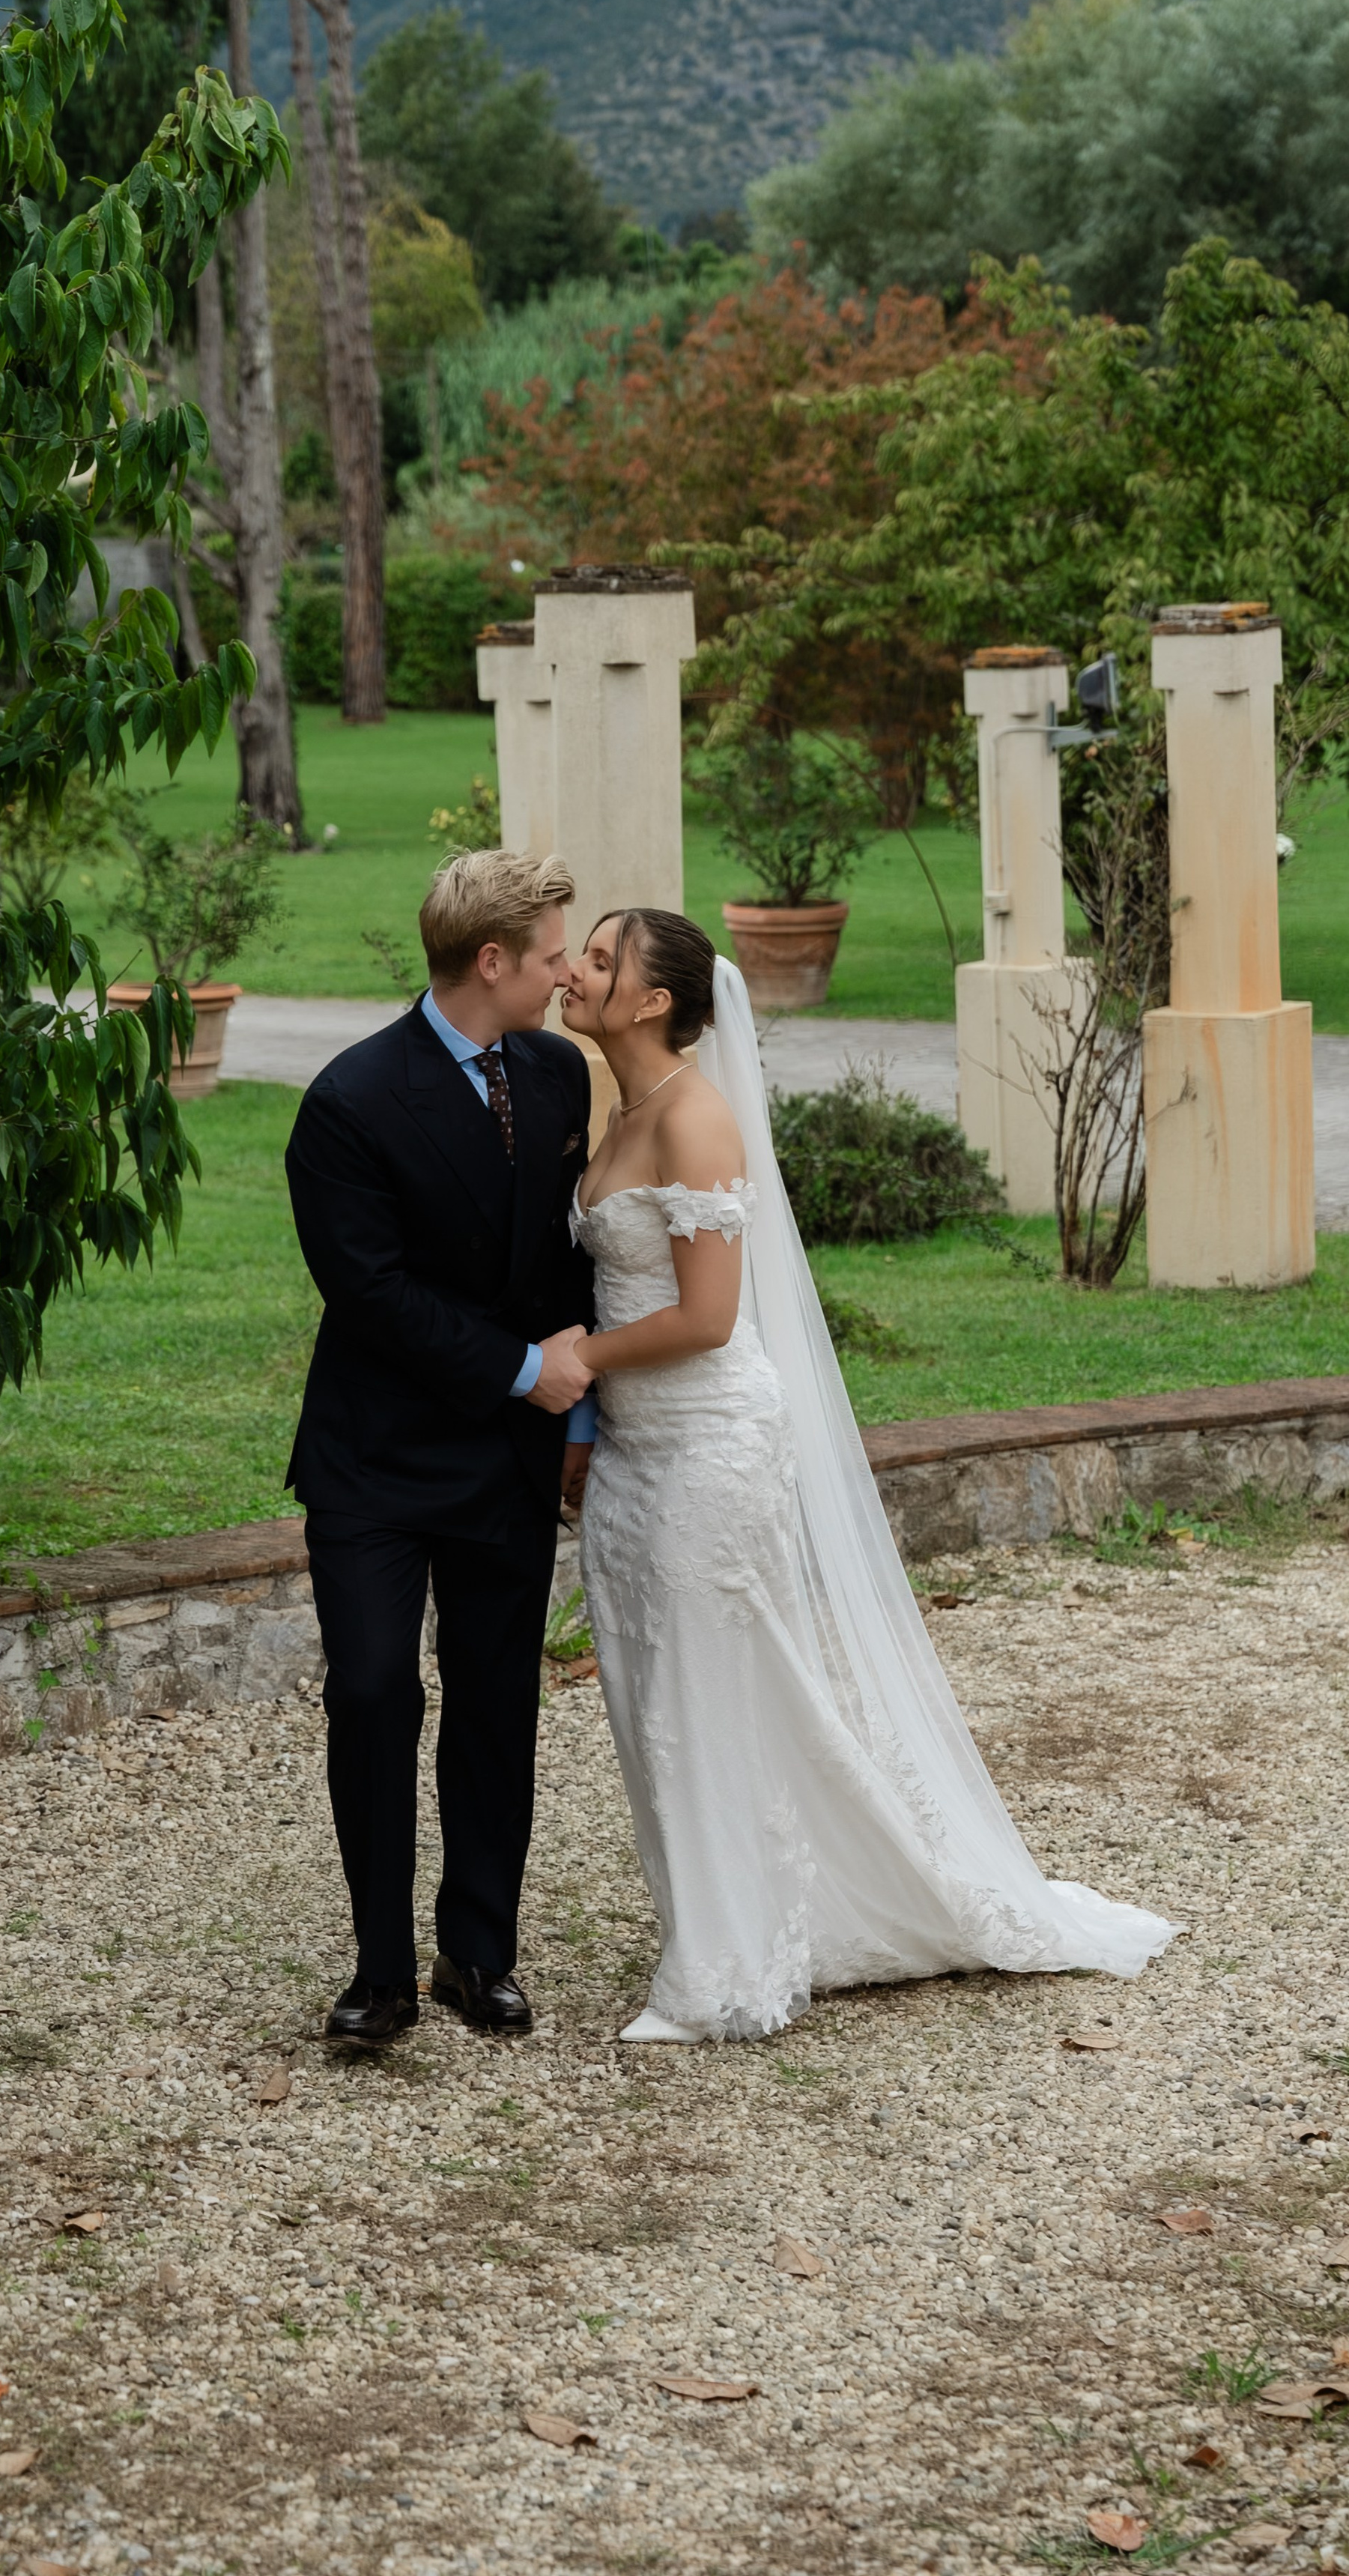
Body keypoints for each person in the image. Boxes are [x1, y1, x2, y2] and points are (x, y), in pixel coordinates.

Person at [555, 906, 1176, 2043]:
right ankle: (751, 1909)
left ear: (652, 1001)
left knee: (709, 1687)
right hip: (638, 1452)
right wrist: (591, 1426)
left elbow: (706, 1316)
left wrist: (580, 1361)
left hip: (711, 1444)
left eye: (601, 960)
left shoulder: (694, 1121)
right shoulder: (620, 1109)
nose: (576, 972)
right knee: (662, 1694)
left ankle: (722, 1972)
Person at [283, 850, 598, 2045]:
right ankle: (379, 1973)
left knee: (495, 1701)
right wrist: (528, 1372)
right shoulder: (350, 1101)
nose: (567, 972)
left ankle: (479, 1953)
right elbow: (371, 1293)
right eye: (554, 952)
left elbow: (566, 1263)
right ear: (492, 961)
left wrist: (572, 1418)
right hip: (374, 1462)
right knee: (371, 1695)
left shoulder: (561, 1075)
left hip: (508, 1463)